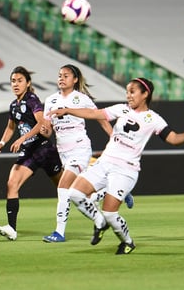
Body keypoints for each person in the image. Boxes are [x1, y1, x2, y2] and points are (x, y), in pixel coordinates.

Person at [48, 77, 184, 254]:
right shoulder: (121, 109)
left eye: (132, 92)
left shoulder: (154, 119)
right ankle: (99, 222)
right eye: (127, 92)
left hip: (125, 169)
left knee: (110, 213)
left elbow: (173, 139)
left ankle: (128, 242)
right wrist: (68, 110)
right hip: (105, 163)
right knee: (74, 193)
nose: (128, 96)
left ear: (145, 94)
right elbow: (94, 114)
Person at [40, 64, 114, 243]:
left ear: (75, 80)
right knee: (81, 194)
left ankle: (59, 232)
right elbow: (48, 130)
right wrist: (44, 130)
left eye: (66, 75)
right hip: (63, 152)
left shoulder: (81, 98)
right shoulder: (50, 100)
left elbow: (101, 117)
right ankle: (108, 191)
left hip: (79, 148)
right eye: (59, 75)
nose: (61, 78)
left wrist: (114, 139)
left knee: (63, 187)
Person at [0, 66, 63, 241]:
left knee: (66, 190)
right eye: (13, 81)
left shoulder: (32, 100)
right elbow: (10, 127)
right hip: (29, 153)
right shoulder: (13, 105)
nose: (15, 84)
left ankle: (93, 205)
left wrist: (21, 139)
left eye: (19, 81)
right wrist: (2, 142)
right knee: (12, 183)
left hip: (45, 150)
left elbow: (41, 124)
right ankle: (11, 228)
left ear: (28, 83)